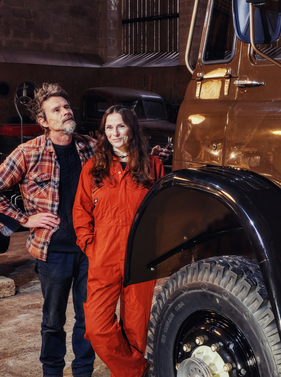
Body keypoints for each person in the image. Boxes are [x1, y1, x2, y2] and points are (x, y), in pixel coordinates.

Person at [0, 82, 96, 377]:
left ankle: (83, 373)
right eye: (56, 110)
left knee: (89, 320)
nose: (65, 112)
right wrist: (24, 219)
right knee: (53, 320)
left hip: (90, 250)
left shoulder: (91, 147)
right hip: (52, 252)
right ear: (43, 122)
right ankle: (52, 373)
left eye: (66, 107)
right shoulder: (28, 153)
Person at [72, 105, 163, 377]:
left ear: (131, 128)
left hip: (141, 258)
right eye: (109, 127)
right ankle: (137, 370)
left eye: (120, 126)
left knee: (136, 330)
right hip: (104, 256)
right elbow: (80, 210)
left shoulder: (152, 165)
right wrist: (90, 245)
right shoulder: (93, 168)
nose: (115, 132)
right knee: (97, 327)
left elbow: (161, 212)